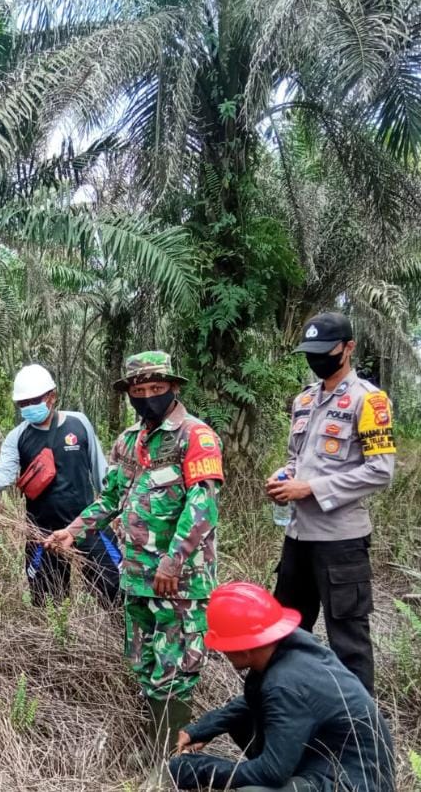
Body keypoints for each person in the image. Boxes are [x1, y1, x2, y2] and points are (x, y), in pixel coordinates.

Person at [47, 351, 223, 753]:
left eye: (155, 389)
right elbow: (110, 499)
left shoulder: (196, 437)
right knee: (144, 665)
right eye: (138, 391)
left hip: (179, 580)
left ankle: (173, 756)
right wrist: (73, 531)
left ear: (173, 388)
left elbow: (202, 506)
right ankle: (157, 744)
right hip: (138, 577)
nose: (147, 397)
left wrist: (173, 560)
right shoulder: (130, 440)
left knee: (176, 669)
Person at [265, 312, 394, 693]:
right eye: (311, 352)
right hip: (298, 537)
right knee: (285, 629)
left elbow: (380, 471)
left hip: (341, 542)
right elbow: (297, 458)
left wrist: (312, 489)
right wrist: (284, 476)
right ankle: (286, 709)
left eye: (326, 351)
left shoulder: (369, 401)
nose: (316, 358)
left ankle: (359, 736)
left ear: (348, 348)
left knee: (349, 642)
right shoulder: (304, 400)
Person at [169, 581, 395, 792]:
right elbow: (253, 702)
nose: (221, 651)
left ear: (244, 649)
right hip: (332, 762)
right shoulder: (289, 648)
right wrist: (202, 729)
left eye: (223, 645)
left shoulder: (285, 685)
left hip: (354, 784)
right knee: (241, 720)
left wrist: (196, 769)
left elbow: (271, 773)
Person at [0, 363, 118, 606]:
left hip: (87, 523)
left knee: (112, 586)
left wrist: (114, 509)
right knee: (48, 600)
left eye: (33, 400)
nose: (28, 407)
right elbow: (3, 476)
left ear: (51, 396)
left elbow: (101, 472)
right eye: (22, 403)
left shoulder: (79, 424)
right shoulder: (18, 437)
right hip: (42, 532)